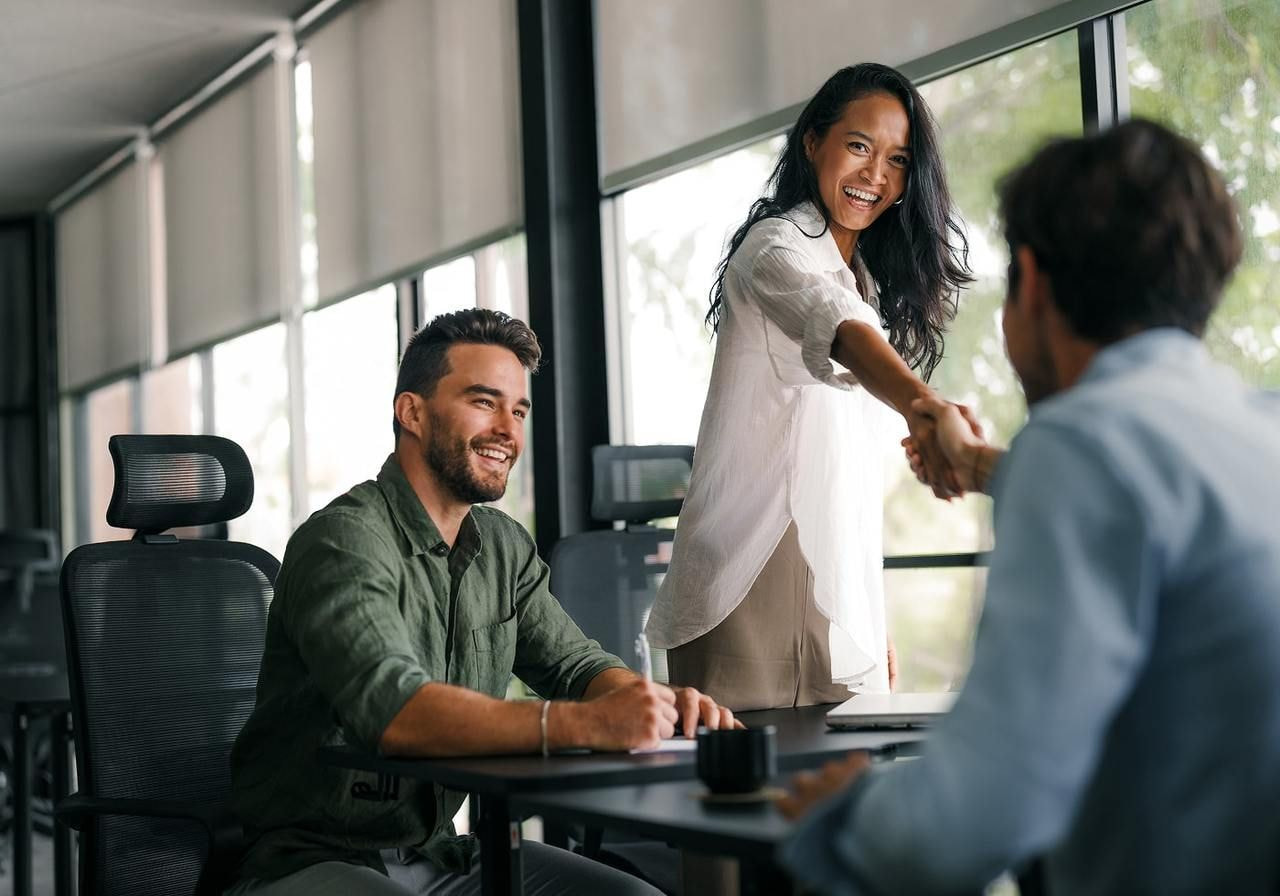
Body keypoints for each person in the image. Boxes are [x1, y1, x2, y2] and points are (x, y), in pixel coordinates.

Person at [776, 119, 1280, 895]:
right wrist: (981, 466)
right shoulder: (1260, 428)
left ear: (1034, 285)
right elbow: (1151, 509)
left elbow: (974, 817)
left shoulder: (1084, 447)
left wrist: (844, 818)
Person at [227, 309, 736, 896]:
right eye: (483, 401)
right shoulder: (343, 541)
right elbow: (398, 714)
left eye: (518, 410)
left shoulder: (503, 546)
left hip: (443, 854)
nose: (508, 431)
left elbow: (576, 668)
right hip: (311, 860)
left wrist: (658, 705)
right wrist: (590, 723)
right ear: (411, 412)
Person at [646, 63, 974, 708]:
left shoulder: (865, 282)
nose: (875, 175)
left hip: (830, 577)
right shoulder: (775, 249)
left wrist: (866, 614)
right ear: (813, 143)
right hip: (753, 572)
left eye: (897, 159)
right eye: (859, 146)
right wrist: (924, 405)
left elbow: (844, 476)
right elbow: (837, 326)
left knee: (836, 794)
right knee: (746, 800)